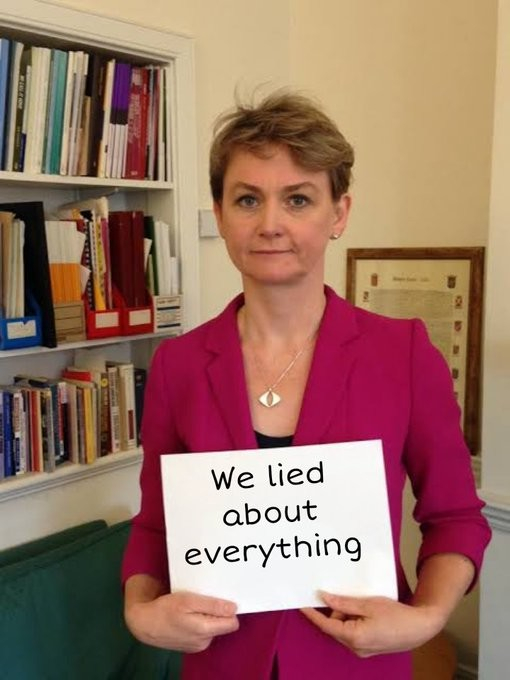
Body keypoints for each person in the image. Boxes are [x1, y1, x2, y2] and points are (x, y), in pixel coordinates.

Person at [122, 91, 491, 679]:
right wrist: (140, 611)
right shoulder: (178, 364)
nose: (271, 224)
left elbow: (456, 517)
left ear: (338, 213)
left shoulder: (404, 353)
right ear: (219, 215)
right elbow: (156, 525)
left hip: (355, 663)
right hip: (223, 665)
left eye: (298, 198)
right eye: (248, 199)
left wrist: (425, 618)